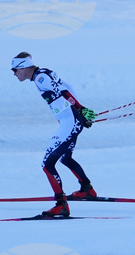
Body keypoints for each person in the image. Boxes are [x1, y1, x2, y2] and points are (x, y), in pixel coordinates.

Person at [12, 52, 98, 218]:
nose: (14, 74)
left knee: (47, 164)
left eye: (15, 70)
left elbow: (64, 93)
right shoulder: (43, 73)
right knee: (65, 158)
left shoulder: (40, 78)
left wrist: (82, 112)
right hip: (70, 121)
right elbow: (68, 87)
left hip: (70, 122)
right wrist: (83, 113)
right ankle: (87, 190)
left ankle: (61, 205)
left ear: (23, 67)